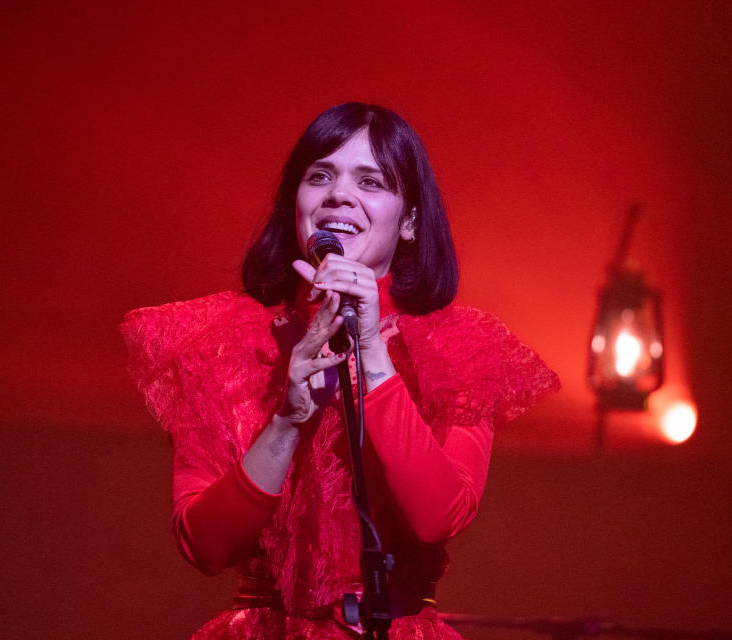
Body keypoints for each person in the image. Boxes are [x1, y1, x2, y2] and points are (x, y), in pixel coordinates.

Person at [121, 102, 559, 639]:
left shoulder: (459, 348)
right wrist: (286, 421)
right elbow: (204, 546)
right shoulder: (223, 344)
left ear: (410, 220)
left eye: (371, 181)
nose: (339, 195)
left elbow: (439, 516)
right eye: (320, 176)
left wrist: (371, 351)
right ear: (295, 204)